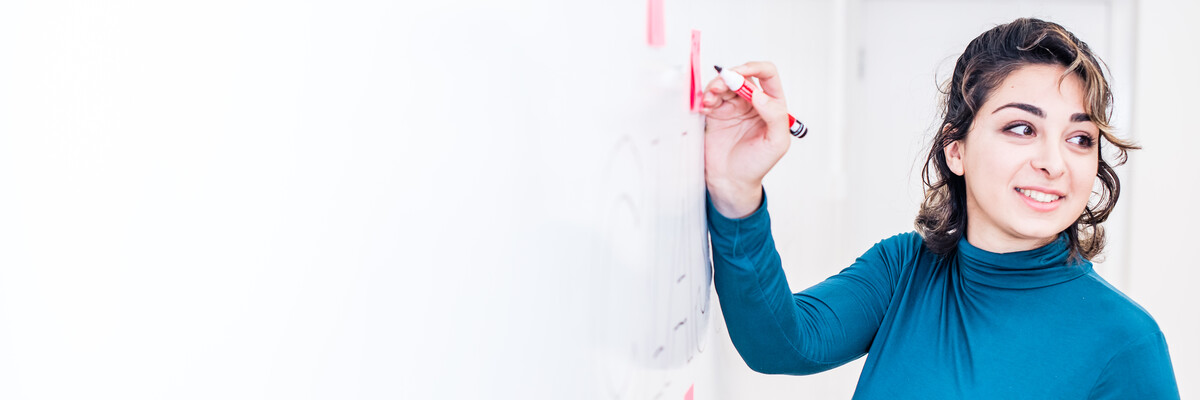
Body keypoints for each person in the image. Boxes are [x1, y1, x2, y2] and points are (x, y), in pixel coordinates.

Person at [699, 18, 1179, 398]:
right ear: (957, 150)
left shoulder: (1126, 343)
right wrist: (736, 191)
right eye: (1021, 129)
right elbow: (781, 344)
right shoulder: (903, 269)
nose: (1054, 163)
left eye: (1079, 139)